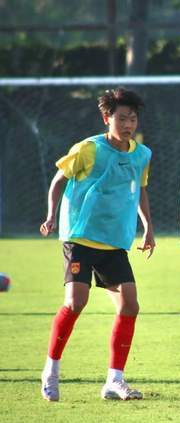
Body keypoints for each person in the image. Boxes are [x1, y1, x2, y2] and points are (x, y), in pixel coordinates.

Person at [39, 88, 155, 402]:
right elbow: (58, 181)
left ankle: (114, 381)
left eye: (133, 119)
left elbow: (140, 190)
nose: (128, 124)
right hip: (80, 236)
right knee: (76, 301)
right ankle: (51, 370)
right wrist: (51, 216)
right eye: (121, 118)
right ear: (107, 119)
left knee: (130, 304)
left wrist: (148, 227)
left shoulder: (142, 154)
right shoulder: (88, 149)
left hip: (114, 240)